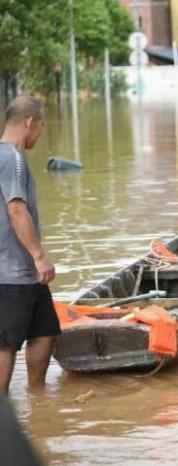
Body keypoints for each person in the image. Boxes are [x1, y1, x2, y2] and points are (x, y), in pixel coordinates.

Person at [0, 95, 60, 395]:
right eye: (41, 125)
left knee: (45, 330)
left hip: (26, 272)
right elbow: (16, 209)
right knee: (7, 343)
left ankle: (38, 399)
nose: (40, 132)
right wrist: (39, 256)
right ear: (28, 122)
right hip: (12, 270)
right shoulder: (12, 158)